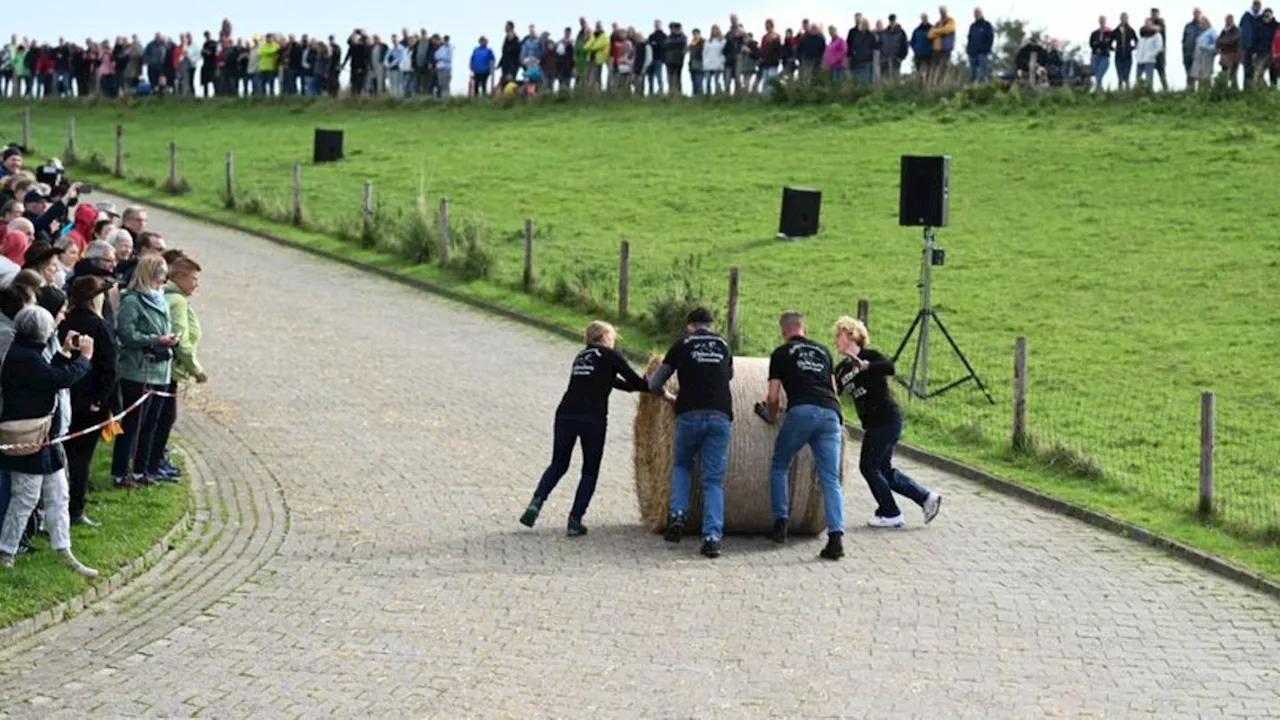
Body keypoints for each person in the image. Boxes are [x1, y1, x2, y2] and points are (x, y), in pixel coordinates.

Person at [519, 321, 651, 536]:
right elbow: (636, 382)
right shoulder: (610, 355)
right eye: (612, 336)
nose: (614, 341)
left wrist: (634, 385)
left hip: (565, 415)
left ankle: (536, 503)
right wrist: (650, 381)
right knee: (589, 470)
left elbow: (611, 381)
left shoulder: (581, 356)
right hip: (592, 418)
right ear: (604, 338)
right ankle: (574, 520)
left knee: (558, 463)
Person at [0, 305, 96, 577]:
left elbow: (48, 376)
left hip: (45, 439)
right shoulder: (23, 357)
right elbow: (59, 379)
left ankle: (63, 548)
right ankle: (6, 552)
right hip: (28, 440)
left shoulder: (27, 352)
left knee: (58, 494)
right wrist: (84, 359)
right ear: (40, 331)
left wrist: (65, 352)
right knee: (25, 498)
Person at [832, 317, 941, 528]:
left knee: (869, 467)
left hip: (886, 420)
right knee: (884, 470)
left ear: (851, 336)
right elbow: (834, 389)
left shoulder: (869, 356)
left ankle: (891, 513)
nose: (836, 340)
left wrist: (867, 366)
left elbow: (889, 367)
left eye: (839, 335)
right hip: (874, 424)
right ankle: (926, 498)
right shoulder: (842, 368)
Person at [757, 311, 846, 561]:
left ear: (783, 331)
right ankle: (836, 538)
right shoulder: (823, 351)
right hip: (830, 413)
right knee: (831, 479)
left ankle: (780, 524)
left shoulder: (781, 353)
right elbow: (833, 389)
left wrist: (772, 416)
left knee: (779, 465)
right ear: (803, 328)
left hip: (802, 411)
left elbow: (773, 396)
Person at [647, 307, 734, 559]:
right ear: (711, 324)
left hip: (688, 413)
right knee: (713, 479)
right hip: (720, 414)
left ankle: (677, 516)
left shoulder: (681, 344)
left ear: (689, 326)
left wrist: (668, 397)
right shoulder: (723, 344)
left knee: (682, 465)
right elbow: (728, 376)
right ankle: (712, 538)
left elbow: (654, 384)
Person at [111, 255, 176, 487]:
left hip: (161, 370)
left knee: (151, 424)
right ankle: (120, 472)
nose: (164, 278)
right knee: (132, 425)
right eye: (161, 273)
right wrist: (156, 339)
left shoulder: (161, 299)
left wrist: (168, 340)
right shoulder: (133, 300)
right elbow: (126, 334)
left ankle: (142, 469)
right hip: (138, 370)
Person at [59, 276, 117, 526]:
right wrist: (100, 399)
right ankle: (75, 509)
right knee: (81, 458)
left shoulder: (67, 321)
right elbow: (110, 368)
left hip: (65, 396)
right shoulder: (99, 326)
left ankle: (61, 506)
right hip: (90, 402)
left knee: (64, 455)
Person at [151, 257, 206, 483]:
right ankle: (154, 463)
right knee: (164, 418)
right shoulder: (178, 302)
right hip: (170, 369)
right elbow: (180, 339)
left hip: (167, 369)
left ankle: (155, 461)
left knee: (162, 417)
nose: (196, 284)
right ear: (180, 277)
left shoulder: (174, 297)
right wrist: (196, 369)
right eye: (193, 279)